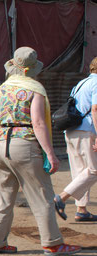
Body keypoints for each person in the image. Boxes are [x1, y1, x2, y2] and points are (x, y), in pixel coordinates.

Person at [0, 47, 80, 256]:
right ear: (32, 69)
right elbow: (38, 122)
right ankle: (53, 244)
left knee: (2, 196)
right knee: (41, 194)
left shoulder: (2, 89)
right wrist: (50, 153)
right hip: (23, 142)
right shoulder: (35, 88)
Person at [53, 57, 97, 222]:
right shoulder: (96, 84)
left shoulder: (80, 84)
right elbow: (95, 108)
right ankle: (61, 198)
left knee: (80, 170)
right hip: (87, 131)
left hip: (71, 131)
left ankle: (81, 209)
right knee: (94, 170)